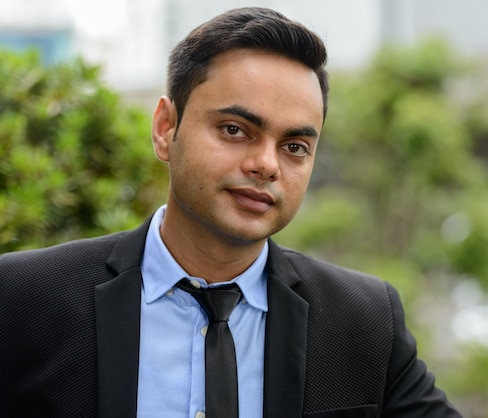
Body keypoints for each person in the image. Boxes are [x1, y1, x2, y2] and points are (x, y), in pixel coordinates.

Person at [0, 7, 462, 418]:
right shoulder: (24, 299)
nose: (266, 164)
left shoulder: (363, 321)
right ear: (166, 128)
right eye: (235, 130)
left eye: (295, 146)